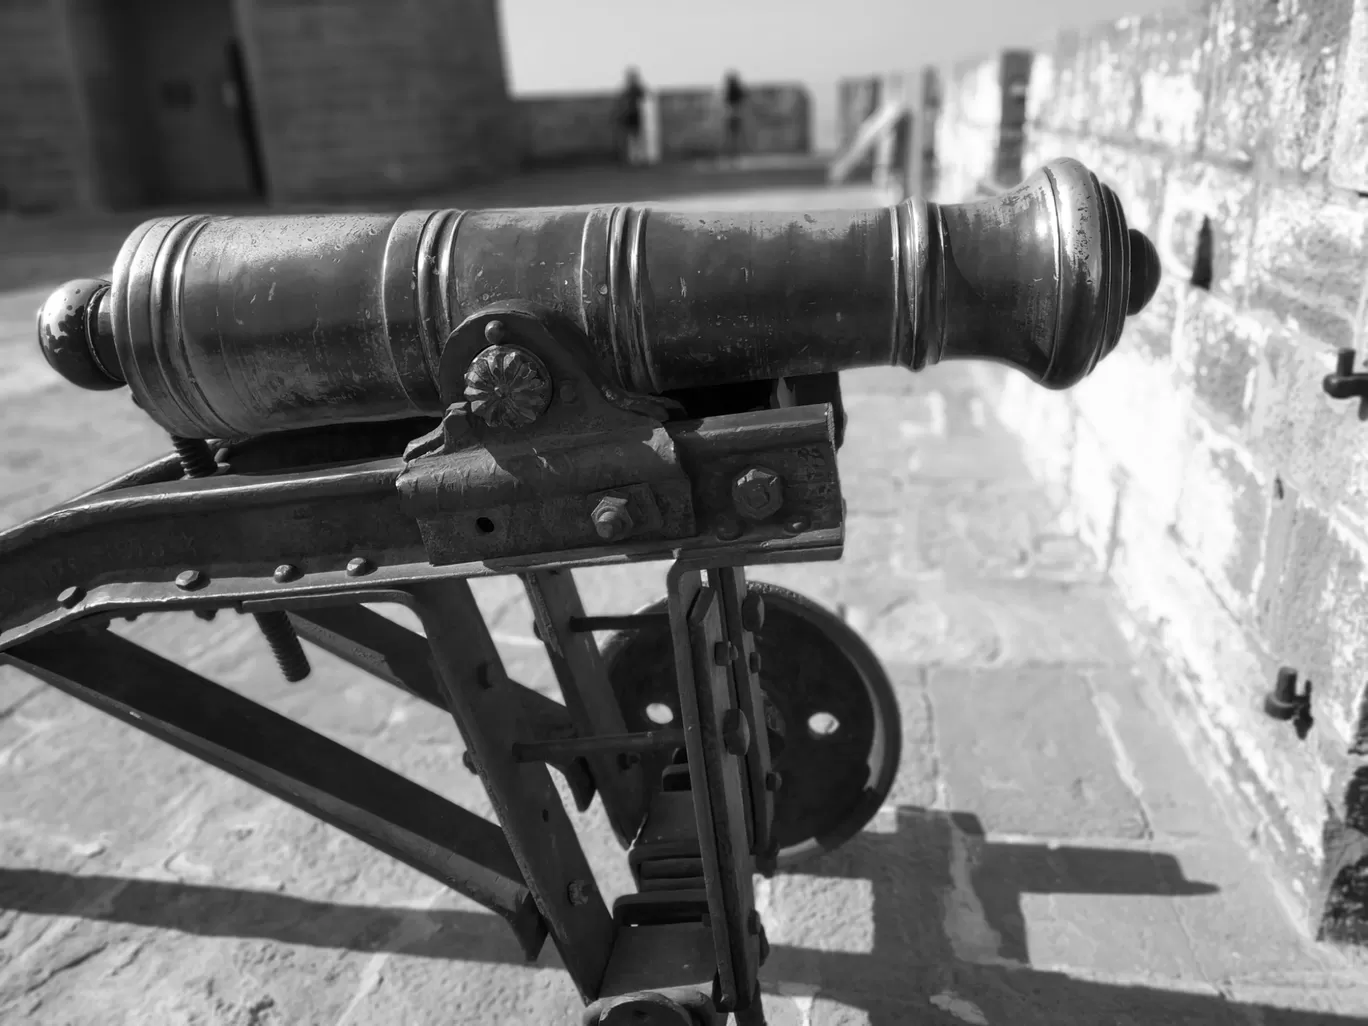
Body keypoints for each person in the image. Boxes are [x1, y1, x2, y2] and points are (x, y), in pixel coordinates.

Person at [617, 68, 647, 167]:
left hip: (635, 114)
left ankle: (637, 158)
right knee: (632, 136)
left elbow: (643, 97)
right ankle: (633, 158)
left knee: (636, 136)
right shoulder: (629, 89)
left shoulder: (635, 89)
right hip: (630, 114)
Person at [722, 71, 748, 162]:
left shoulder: (731, 90)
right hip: (735, 114)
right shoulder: (736, 89)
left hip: (732, 114)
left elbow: (726, 101)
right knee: (734, 137)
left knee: (732, 137)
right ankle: (734, 155)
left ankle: (733, 155)